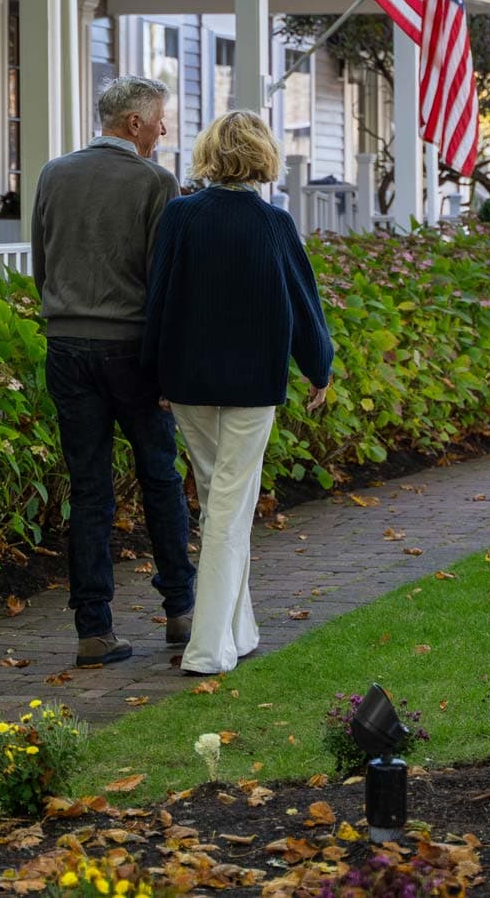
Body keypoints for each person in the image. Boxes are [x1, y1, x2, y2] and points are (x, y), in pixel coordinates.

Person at [141, 110, 333, 676]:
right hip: (252, 384)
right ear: (263, 155)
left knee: (222, 501)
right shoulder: (273, 223)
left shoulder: (181, 215)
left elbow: (159, 299)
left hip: (189, 383)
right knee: (228, 507)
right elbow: (304, 305)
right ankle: (208, 649)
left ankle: (238, 630)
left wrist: (155, 375)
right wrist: (319, 368)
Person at [30, 74, 195, 667]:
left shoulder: (54, 174)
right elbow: (165, 282)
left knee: (89, 488)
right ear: (134, 123)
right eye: (159, 120)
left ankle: (93, 630)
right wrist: (171, 370)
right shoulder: (156, 181)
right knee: (160, 479)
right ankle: (181, 612)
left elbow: (41, 264)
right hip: (132, 350)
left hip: (66, 346)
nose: (164, 130)